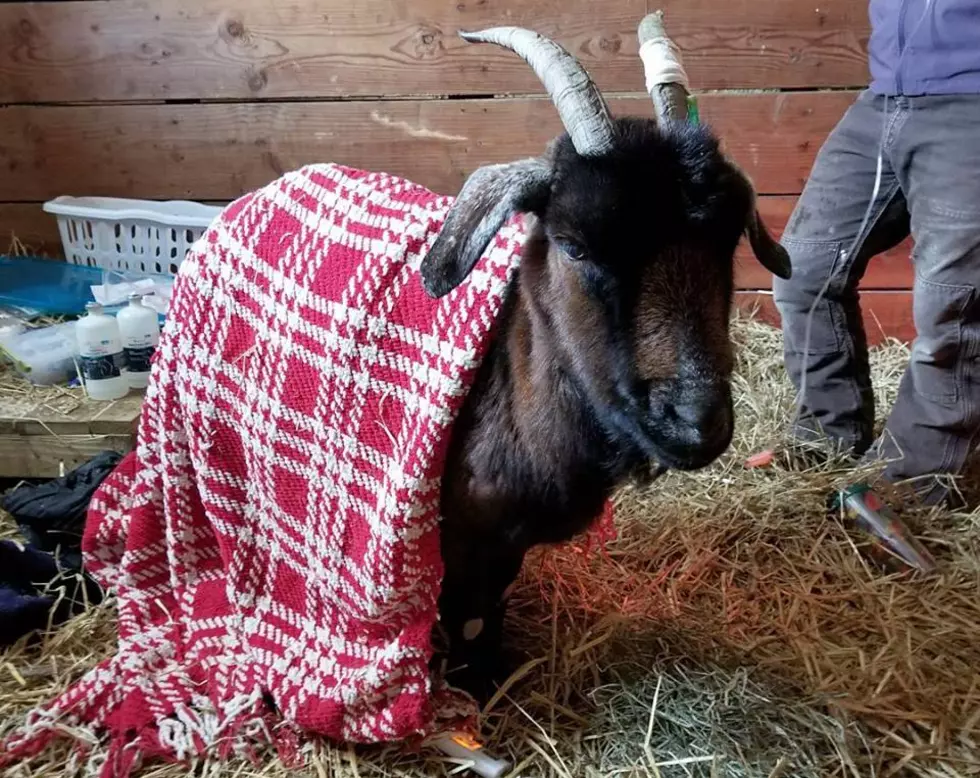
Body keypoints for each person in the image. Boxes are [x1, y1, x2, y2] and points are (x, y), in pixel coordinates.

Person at [773, 0, 980, 506]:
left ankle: (913, 481)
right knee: (803, 269)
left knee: (953, 304)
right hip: (884, 97)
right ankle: (827, 439)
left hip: (971, 99)